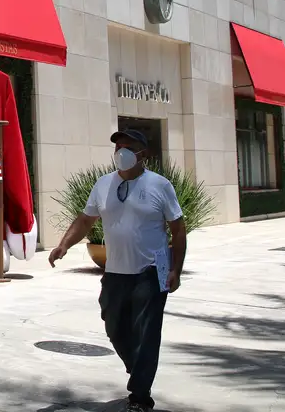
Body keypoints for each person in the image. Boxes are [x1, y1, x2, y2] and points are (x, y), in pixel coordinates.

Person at [49, 130, 186, 412]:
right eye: (118, 147)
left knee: (147, 332)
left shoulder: (160, 185)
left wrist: (176, 269)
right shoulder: (103, 185)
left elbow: (178, 228)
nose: (121, 152)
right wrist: (63, 244)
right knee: (114, 326)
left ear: (143, 154)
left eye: (128, 147)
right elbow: (86, 219)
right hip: (115, 272)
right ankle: (139, 370)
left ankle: (140, 396)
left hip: (151, 270)